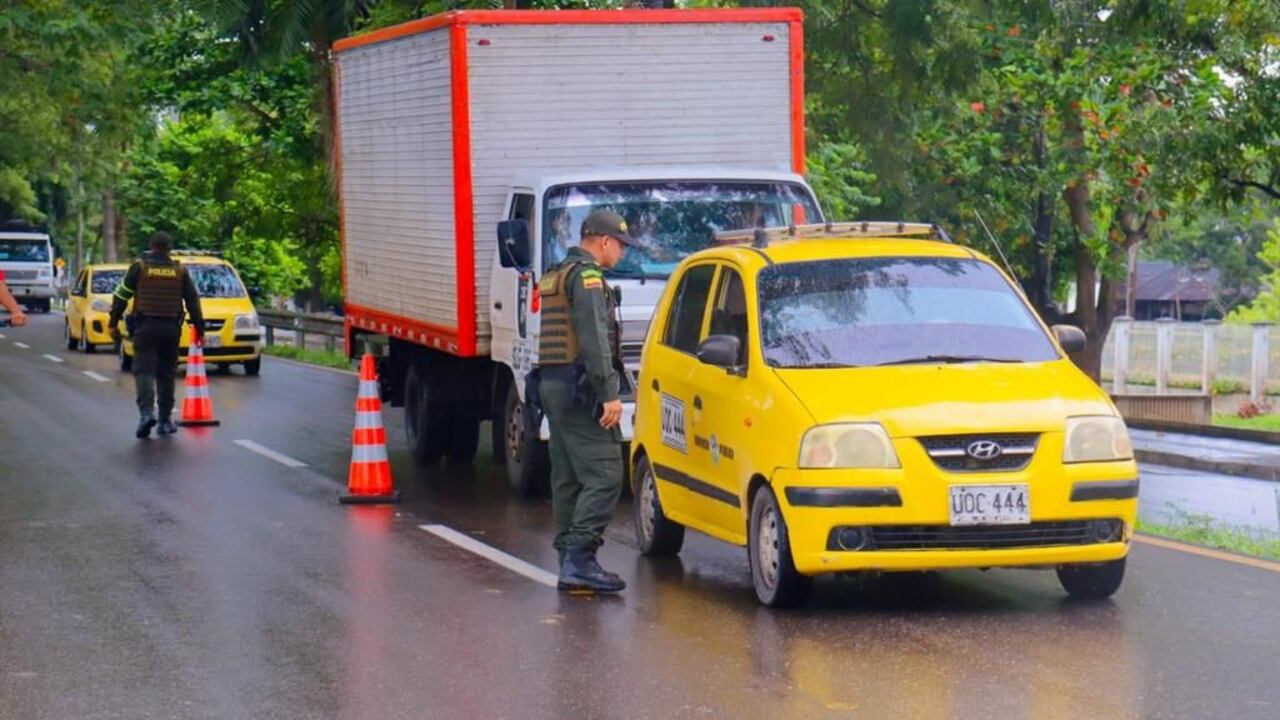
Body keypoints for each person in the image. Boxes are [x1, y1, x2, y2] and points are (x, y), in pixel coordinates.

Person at [535, 209, 631, 594]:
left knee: (569, 477)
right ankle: (580, 558)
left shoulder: (559, 272)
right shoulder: (588, 278)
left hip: (553, 386)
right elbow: (593, 340)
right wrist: (610, 395)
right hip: (580, 390)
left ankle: (567, 562)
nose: (621, 254)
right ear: (604, 241)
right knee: (607, 472)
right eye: (621, 245)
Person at [108, 232, 206, 438]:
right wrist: (200, 329)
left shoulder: (140, 267)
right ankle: (164, 421)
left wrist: (113, 321)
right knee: (166, 373)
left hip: (145, 327)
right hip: (171, 329)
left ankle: (146, 414)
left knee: (144, 371)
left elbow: (121, 295)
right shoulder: (180, 271)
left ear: (151, 247)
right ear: (169, 249)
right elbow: (193, 301)